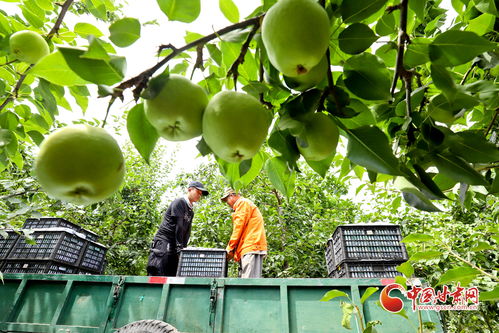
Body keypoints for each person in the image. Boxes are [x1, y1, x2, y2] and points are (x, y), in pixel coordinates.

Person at [147, 181, 209, 276]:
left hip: (174, 243)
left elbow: (186, 231)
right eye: (198, 192)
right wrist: (179, 246)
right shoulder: (179, 202)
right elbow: (179, 226)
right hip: (164, 241)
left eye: (201, 194)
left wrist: (183, 248)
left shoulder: (191, 211)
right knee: (160, 270)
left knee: (173, 272)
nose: (199, 196)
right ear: (189, 189)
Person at [220, 189, 267, 278]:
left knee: (248, 284)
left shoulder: (242, 203)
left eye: (227, 200)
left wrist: (229, 248)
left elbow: (238, 227)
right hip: (251, 247)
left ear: (231, 196)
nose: (227, 203)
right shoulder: (246, 204)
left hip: (251, 247)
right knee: (250, 280)